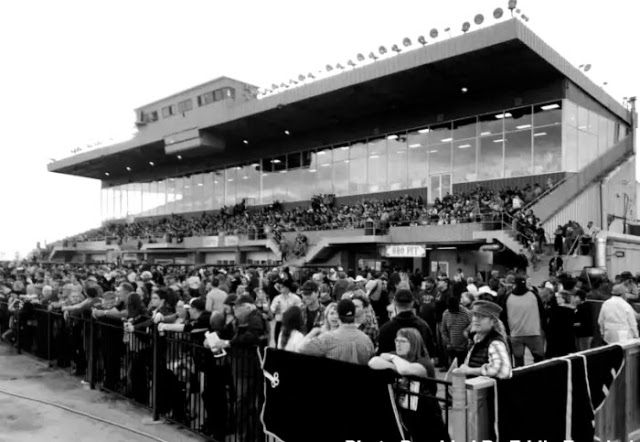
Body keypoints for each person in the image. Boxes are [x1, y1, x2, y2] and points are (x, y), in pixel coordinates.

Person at [369, 328, 450, 442]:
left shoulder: (424, 362)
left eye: (402, 341)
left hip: (427, 415)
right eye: (396, 340)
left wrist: (392, 359)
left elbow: (406, 369)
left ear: (413, 343)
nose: (398, 344)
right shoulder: (398, 358)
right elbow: (373, 362)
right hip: (407, 413)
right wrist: (394, 365)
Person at [301, 299, 374, 365]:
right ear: (354, 315)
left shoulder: (327, 339)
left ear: (338, 316)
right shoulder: (367, 340)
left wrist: (313, 332)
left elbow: (302, 348)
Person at [458, 301, 512, 379]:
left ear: (493, 321)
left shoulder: (495, 343)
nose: (475, 319)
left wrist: (470, 370)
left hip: (489, 391)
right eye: (474, 315)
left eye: (481, 316)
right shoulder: (477, 340)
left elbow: (503, 371)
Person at [501, 275, 545, 368]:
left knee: (518, 361)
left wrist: (507, 331)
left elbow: (503, 316)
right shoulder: (533, 295)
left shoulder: (508, 296)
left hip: (516, 334)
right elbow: (542, 312)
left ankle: (520, 380)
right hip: (534, 333)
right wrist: (542, 327)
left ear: (514, 284)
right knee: (539, 359)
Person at [378, 289, 435, 358]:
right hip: (418, 367)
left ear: (394, 303)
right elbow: (430, 353)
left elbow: (381, 354)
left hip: (393, 366)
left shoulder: (385, 329)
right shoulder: (423, 326)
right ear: (412, 303)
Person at [441, 294, 471, 369]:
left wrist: (468, 341)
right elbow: (443, 331)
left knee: (462, 369)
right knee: (453, 370)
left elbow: (471, 326)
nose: (452, 310)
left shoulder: (466, 313)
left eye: (453, 308)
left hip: (464, 348)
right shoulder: (446, 314)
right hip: (451, 347)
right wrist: (448, 343)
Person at [545, 290, 577, 358]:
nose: (557, 298)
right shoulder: (569, 310)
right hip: (556, 336)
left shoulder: (568, 311)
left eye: (559, 297)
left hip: (562, 336)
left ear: (564, 299)